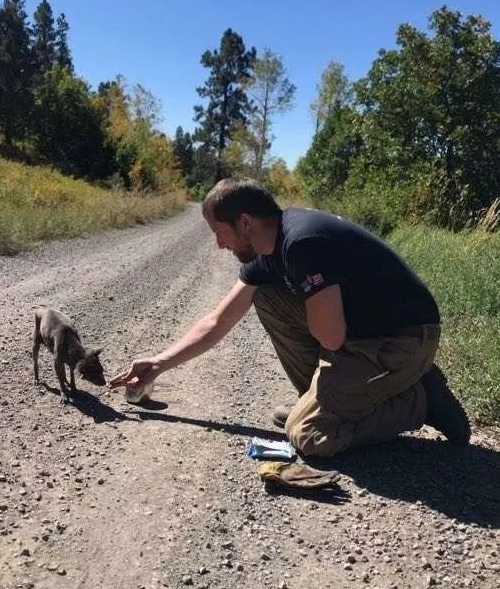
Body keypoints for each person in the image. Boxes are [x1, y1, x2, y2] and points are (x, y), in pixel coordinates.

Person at [110, 177, 471, 456]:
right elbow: (218, 321)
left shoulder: (301, 243)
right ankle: (331, 402)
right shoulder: (267, 251)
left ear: (246, 222)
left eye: (220, 233)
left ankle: (420, 401)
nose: (219, 244)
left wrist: (307, 294)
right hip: (362, 336)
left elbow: (330, 338)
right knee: (263, 293)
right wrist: (158, 363)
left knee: (308, 436)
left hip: (404, 339)